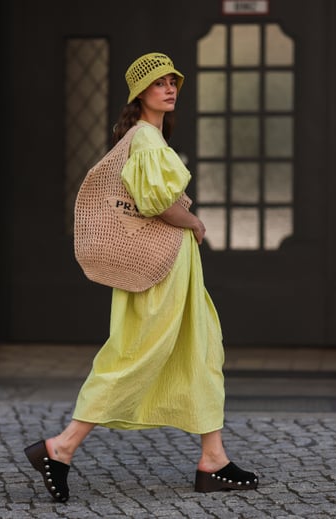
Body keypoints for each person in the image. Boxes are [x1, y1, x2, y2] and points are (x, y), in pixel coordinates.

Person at [24, 52, 258, 503]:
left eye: (173, 82)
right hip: (164, 273)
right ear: (140, 93)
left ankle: (213, 460)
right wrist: (193, 222)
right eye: (159, 84)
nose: (169, 89)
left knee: (200, 349)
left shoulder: (147, 137)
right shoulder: (147, 139)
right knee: (133, 356)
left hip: (176, 271)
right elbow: (155, 204)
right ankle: (62, 447)